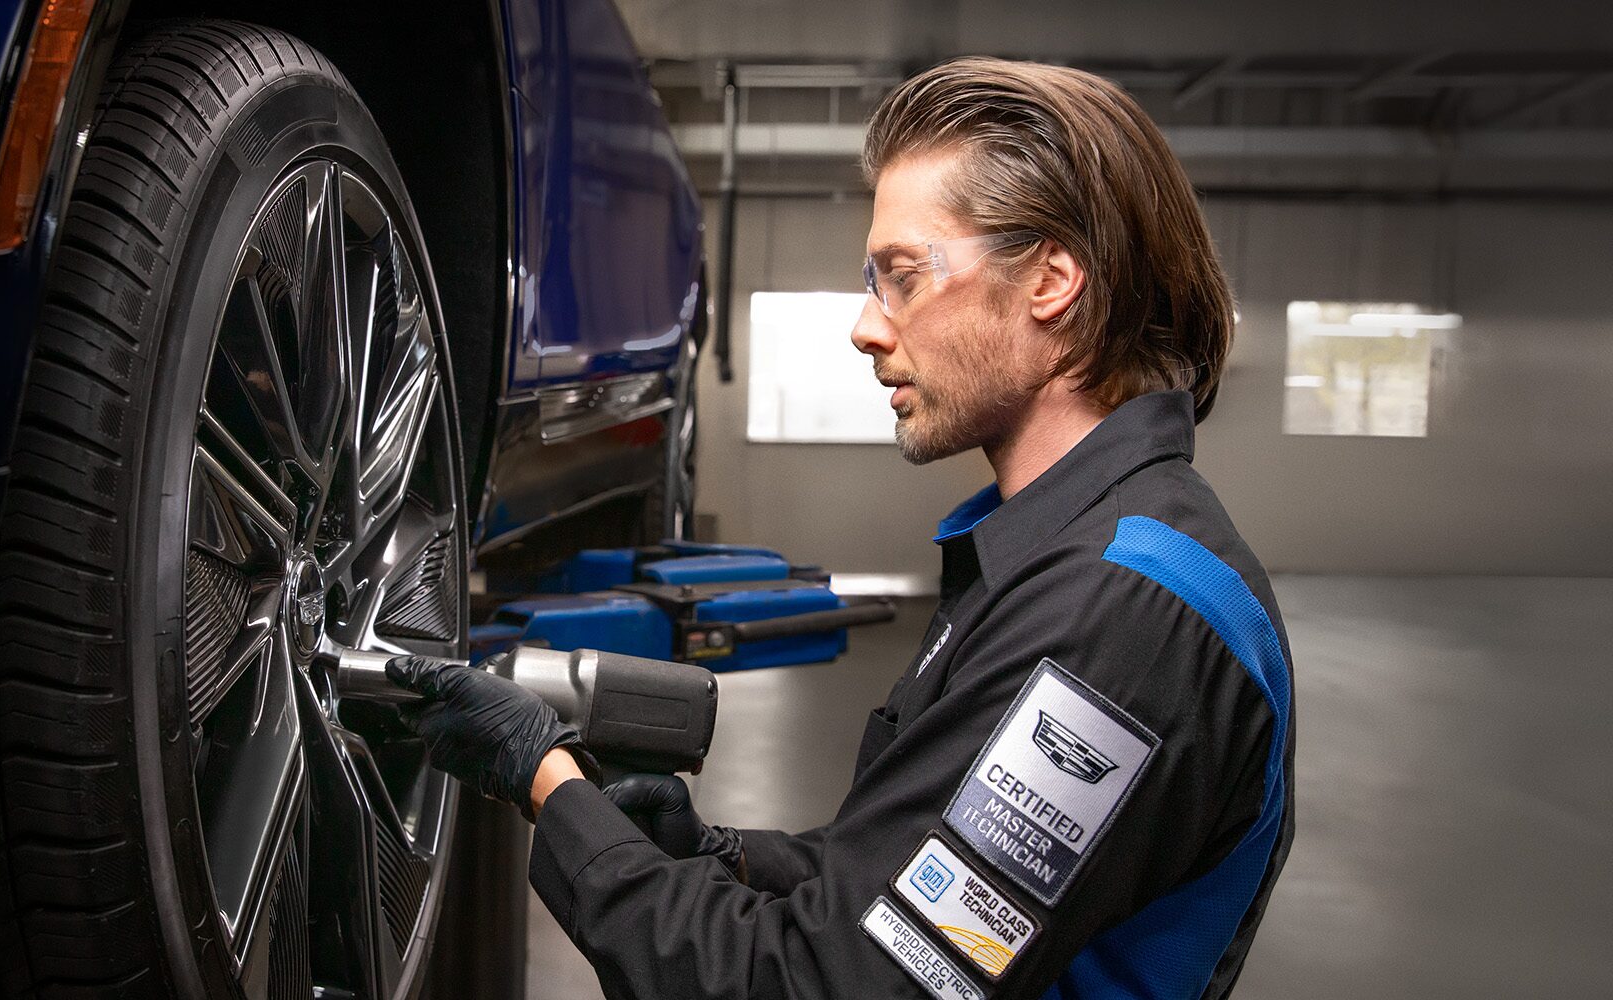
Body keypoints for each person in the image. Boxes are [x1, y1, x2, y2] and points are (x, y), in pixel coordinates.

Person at [388, 56, 1294, 1000]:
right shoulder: (1088, 557)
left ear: (1052, 283)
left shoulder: (1122, 611)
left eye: (903, 276)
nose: (867, 325)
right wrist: (720, 855)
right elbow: (931, 888)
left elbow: (828, 986)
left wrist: (550, 784)